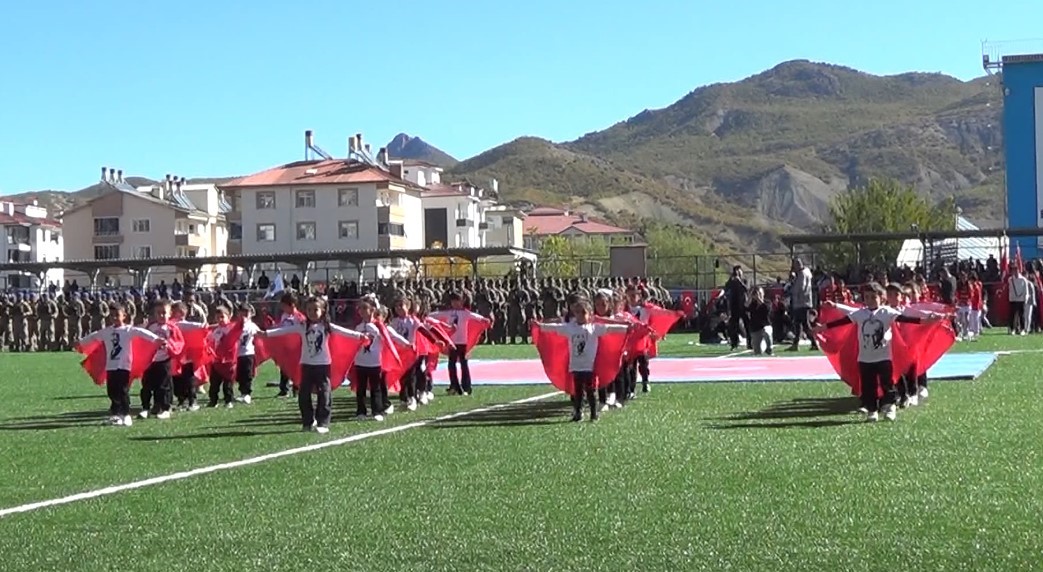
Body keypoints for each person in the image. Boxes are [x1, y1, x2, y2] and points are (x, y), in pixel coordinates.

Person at [815, 283, 940, 422]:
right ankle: (872, 410)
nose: (870, 300)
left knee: (887, 384)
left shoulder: (886, 312)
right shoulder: (860, 314)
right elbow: (843, 321)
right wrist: (823, 327)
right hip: (864, 359)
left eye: (873, 297)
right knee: (869, 387)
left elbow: (906, 319)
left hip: (884, 358)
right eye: (867, 297)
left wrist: (925, 320)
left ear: (882, 298)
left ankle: (890, 406)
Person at [260, 297, 367, 433]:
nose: (311, 312)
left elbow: (344, 331)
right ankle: (308, 421)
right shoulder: (302, 326)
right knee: (304, 394)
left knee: (324, 393)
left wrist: (360, 336)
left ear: (322, 311)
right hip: (306, 365)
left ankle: (323, 422)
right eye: (309, 309)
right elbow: (285, 330)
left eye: (315, 309)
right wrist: (266, 334)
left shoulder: (327, 327)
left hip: (323, 366)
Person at [533, 299, 631, 422]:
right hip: (575, 366)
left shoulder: (593, 328)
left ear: (589, 314)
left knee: (590, 391)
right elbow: (555, 327)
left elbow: (610, 328)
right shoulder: (570, 328)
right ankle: (578, 413)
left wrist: (626, 328)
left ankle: (594, 413)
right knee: (577, 392)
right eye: (577, 313)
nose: (580, 316)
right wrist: (540, 326)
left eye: (583, 313)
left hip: (589, 367)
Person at [76, 303, 163, 427]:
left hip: (124, 365)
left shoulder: (128, 330)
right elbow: (94, 336)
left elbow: (142, 332)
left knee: (123, 391)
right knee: (112, 391)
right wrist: (80, 343)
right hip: (111, 366)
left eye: (117, 315)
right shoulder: (107, 331)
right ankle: (116, 414)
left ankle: (126, 414)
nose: (114, 318)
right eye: (112, 315)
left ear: (124, 316)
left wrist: (156, 339)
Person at [428, 292, 491, 396]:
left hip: (462, 342)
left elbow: (475, 316)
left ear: (462, 301)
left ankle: (466, 386)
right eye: (453, 301)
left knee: (464, 364)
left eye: (457, 301)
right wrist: (426, 315)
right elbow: (437, 315)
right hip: (451, 342)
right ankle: (454, 386)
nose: (455, 303)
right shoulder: (448, 313)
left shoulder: (465, 313)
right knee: (451, 364)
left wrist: (483, 319)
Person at [235, 303, 262, 405]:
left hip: (248, 353)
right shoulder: (236, 325)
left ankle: (247, 394)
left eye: (247, 312)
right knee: (239, 375)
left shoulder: (252, 325)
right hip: (237, 354)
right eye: (243, 312)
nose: (245, 314)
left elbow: (260, 335)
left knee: (247, 374)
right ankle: (242, 392)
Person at [747, 287, 773, 356]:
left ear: (763, 294)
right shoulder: (752, 304)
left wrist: (759, 299)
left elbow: (766, 310)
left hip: (765, 326)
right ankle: (763, 347)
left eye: (760, 293)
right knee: (758, 352)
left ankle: (769, 349)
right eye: (757, 294)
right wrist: (750, 297)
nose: (758, 295)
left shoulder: (767, 302)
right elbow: (745, 308)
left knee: (766, 332)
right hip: (756, 329)